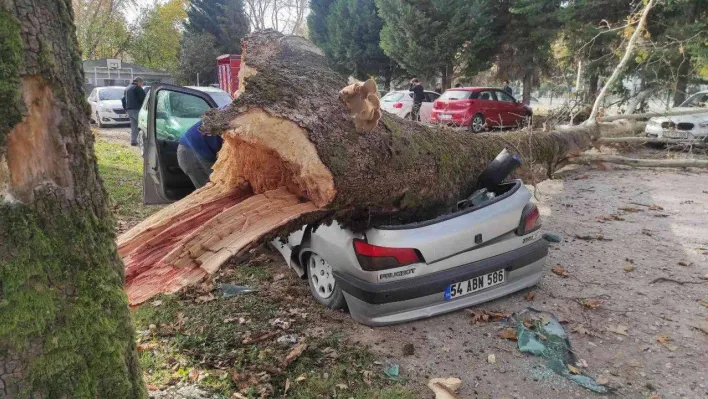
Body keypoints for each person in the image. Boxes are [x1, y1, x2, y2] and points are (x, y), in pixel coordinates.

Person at [177, 119, 224, 189]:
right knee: (214, 189)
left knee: (220, 186)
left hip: (198, 150)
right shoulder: (234, 116)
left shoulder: (231, 112)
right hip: (192, 152)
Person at [122, 77, 146, 146]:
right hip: (137, 110)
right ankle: (144, 142)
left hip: (129, 110)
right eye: (142, 83)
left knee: (134, 126)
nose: (142, 85)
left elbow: (123, 100)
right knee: (143, 126)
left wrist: (126, 109)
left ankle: (133, 141)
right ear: (139, 82)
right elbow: (143, 99)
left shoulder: (127, 88)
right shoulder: (137, 88)